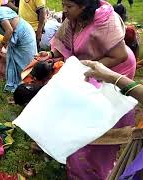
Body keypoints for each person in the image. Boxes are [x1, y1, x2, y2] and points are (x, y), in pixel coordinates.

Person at [40, 0, 137, 179]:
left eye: (69, 6)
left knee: (96, 125)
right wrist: (51, 54)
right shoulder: (73, 19)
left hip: (114, 70)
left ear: (84, 7)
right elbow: (67, 45)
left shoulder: (104, 21)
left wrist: (90, 69)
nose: (64, 10)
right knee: (79, 119)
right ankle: (78, 164)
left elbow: (120, 55)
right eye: (63, 4)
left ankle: (94, 168)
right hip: (90, 68)